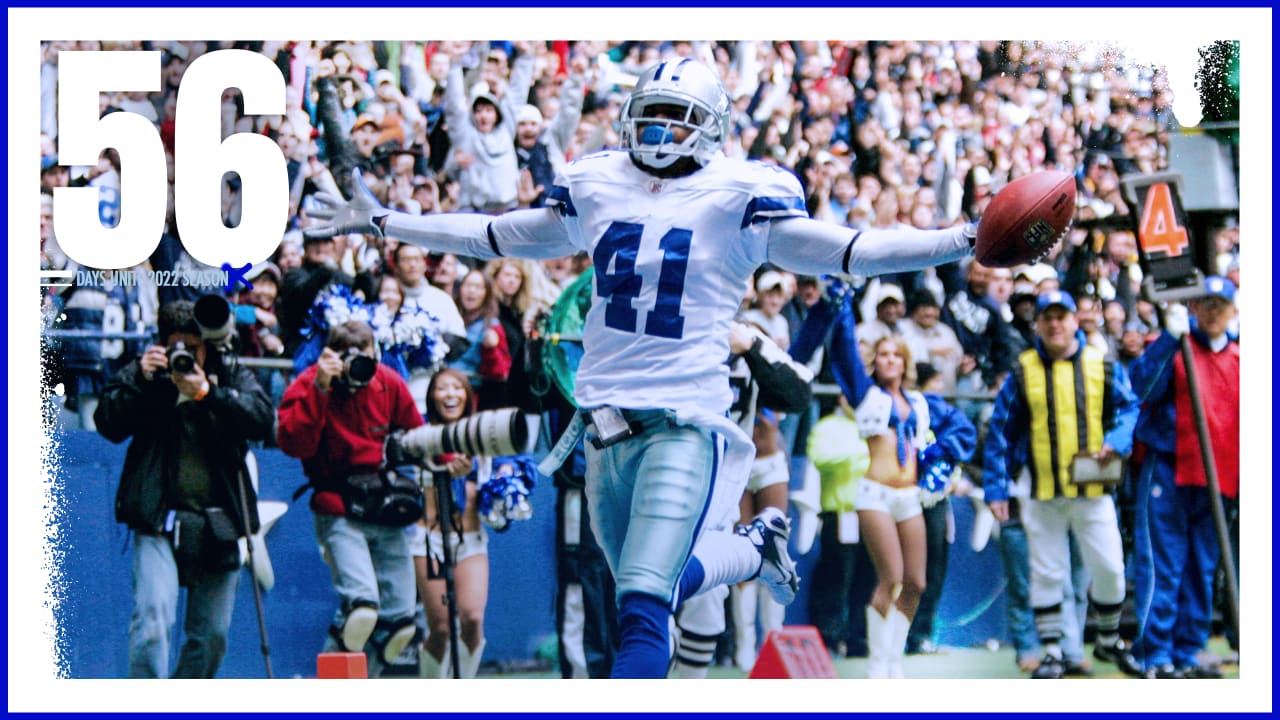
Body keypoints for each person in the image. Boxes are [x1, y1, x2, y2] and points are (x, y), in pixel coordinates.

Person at [305, 58, 983, 678]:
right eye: (651, 112)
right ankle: (750, 548)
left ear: (710, 127)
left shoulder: (741, 193)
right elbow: (495, 235)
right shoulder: (598, 181)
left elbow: (852, 250)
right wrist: (388, 223)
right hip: (602, 426)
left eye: (677, 116)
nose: (660, 128)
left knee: (641, 607)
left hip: (683, 421)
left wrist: (962, 239)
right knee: (643, 582)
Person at [792, 286, 974, 678]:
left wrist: (937, 457)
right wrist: (841, 306)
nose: (889, 360)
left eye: (896, 355)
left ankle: (894, 657)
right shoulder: (866, 394)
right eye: (883, 355)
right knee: (889, 578)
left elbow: (963, 431)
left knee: (916, 583)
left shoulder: (924, 404)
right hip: (873, 494)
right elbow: (843, 352)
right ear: (875, 362)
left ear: (906, 362)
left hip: (911, 496)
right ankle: (879, 666)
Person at [94, 299, 273, 678]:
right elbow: (108, 422)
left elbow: (262, 420)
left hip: (219, 523)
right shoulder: (147, 375)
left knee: (212, 636)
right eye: (176, 347)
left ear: (208, 345)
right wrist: (142, 380)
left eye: (193, 349)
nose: (185, 356)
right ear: (161, 345)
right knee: (152, 622)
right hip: (159, 519)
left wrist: (210, 394)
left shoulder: (227, 374)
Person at [982, 290, 1144, 679]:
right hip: (1041, 490)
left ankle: (1106, 639)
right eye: (1047, 318)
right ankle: (1052, 651)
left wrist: (1118, 440)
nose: (1055, 324)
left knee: (1109, 568)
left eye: (1062, 316)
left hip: (1093, 491)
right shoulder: (1023, 370)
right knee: (1047, 572)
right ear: (1037, 324)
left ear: (1075, 321)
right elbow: (1001, 432)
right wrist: (996, 487)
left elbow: (1128, 408)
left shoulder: (1101, 363)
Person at [276, 319, 425, 677]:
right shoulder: (311, 380)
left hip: (383, 505)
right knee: (361, 610)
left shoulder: (388, 382)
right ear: (333, 356)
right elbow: (294, 443)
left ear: (376, 353)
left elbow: (417, 434)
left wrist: (447, 457)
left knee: (401, 624)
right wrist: (321, 387)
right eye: (351, 357)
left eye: (368, 355)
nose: (360, 366)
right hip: (337, 505)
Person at [1128, 277, 1239, 679]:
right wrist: (1166, 342)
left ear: (1232, 310)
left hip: (1219, 479)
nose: (1211, 312)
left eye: (1219, 305)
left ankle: (1188, 651)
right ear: (1193, 308)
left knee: (1202, 566)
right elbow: (1140, 389)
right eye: (1204, 304)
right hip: (1171, 470)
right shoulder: (1177, 348)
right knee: (1163, 564)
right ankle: (1155, 653)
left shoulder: (1243, 357)